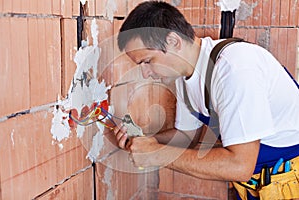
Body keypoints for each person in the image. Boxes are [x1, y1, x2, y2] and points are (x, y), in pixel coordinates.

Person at [113, 1, 299, 199]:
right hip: (258, 185)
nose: (146, 73)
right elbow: (187, 136)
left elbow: (240, 165)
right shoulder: (185, 76)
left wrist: (156, 154)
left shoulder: (234, 69)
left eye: (147, 61)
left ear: (173, 41)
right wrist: (143, 140)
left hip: (288, 180)